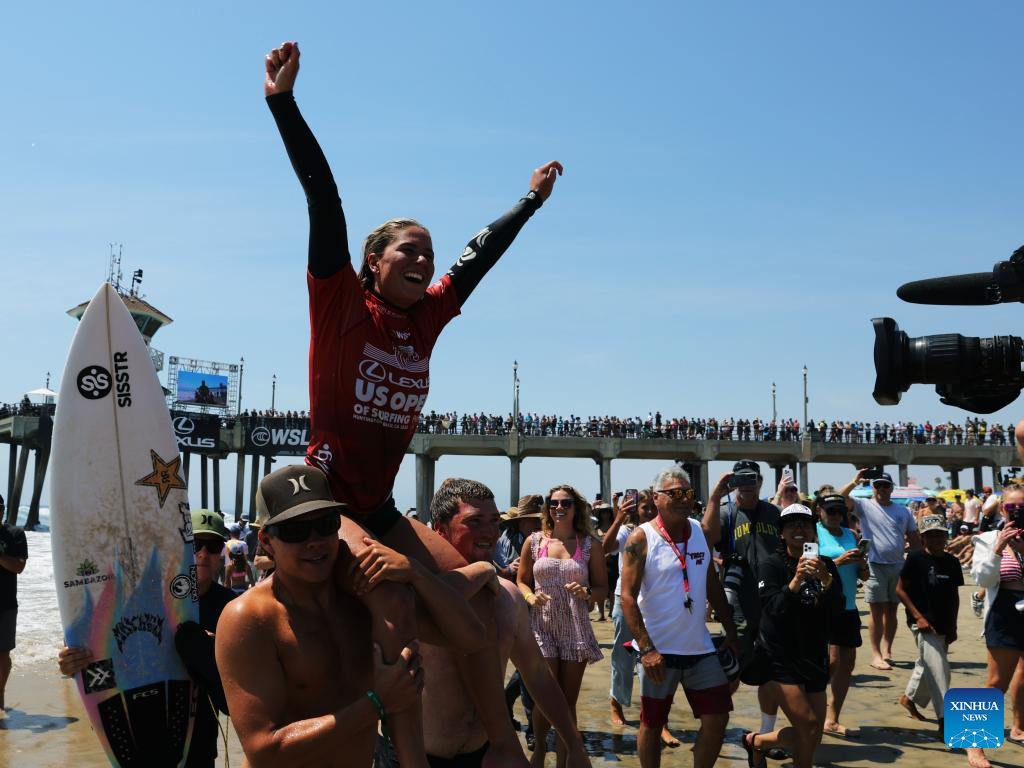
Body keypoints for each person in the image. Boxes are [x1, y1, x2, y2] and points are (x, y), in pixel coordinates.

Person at [265, 40, 561, 768]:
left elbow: (478, 256)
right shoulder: (340, 301)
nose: (424, 261)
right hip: (329, 496)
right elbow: (324, 199)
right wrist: (283, 104)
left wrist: (530, 201)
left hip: (380, 506)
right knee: (394, 598)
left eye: (428, 254)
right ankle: (411, 759)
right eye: (409, 251)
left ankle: (500, 744)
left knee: (476, 612)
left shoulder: (427, 316)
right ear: (373, 262)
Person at [219, 465, 487, 767]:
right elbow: (264, 749)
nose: (314, 540)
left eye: (325, 523)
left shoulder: (365, 601)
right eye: (295, 531)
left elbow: (471, 639)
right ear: (266, 541)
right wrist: (376, 703)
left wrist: (415, 571)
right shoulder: (250, 618)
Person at [405, 478, 589, 768]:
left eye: (494, 521)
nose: (490, 532)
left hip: (484, 754)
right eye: (474, 521)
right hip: (415, 756)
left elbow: (537, 673)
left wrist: (573, 742)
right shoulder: (414, 595)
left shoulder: (508, 597)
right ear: (440, 529)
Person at [59, 509, 237, 767]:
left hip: (199, 739)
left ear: (221, 553)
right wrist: (73, 663)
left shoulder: (232, 607)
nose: (203, 554)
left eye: (213, 547)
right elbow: (108, 648)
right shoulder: (147, 598)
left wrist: (213, 649)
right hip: (141, 731)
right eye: (196, 544)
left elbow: (236, 694)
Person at [619, 467, 736, 768]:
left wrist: (731, 628)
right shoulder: (641, 537)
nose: (684, 499)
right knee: (652, 723)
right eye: (675, 493)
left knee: (717, 718)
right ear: (656, 497)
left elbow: (711, 582)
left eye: (688, 493)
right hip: (659, 651)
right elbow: (627, 596)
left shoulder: (698, 532)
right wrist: (647, 649)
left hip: (699, 648)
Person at [742, 504, 844, 768]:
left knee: (814, 734)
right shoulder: (771, 565)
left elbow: (838, 608)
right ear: (781, 533)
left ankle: (757, 742)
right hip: (778, 656)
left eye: (805, 524)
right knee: (807, 725)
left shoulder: (826, 564)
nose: (799, 529)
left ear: (814, 531)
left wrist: (826, 580)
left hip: (813, 653)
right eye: (791, 525)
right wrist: (796, 582)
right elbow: (771, 610)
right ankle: (761, 743)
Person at [517, 485, 607, 768]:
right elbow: (521, 581)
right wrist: (530, 597)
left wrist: (587, 593)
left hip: (575, 627)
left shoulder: (590, 545)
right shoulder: (534, 541)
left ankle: (565, 758)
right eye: (553, 502)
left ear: (576, 507)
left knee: (567, 700)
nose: (559, 508)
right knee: (546, 696)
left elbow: (603, 588)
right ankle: (541, 749)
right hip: (541, 625)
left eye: (565, 503)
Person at [703, 460, 784, 746]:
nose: (747, 484)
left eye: (752, 479)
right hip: (737, 602)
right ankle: (714, 725)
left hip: (771, 601)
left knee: (770, 668)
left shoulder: (774, 513)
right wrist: (716, 495)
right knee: (731, 667)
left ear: (761, 482)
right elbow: (708, 538)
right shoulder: (726, 512)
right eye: (740, 479)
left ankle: (765, 731)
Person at [601, 489, 677, 747]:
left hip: (655, 603)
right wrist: (618, 518)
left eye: (652, 507)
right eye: (645, 507)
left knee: (660, 660)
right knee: (622, 658)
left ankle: (661, 721)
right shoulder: (628, 531)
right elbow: (604, 548)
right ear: (637, 509)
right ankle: (616, 702)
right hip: (626, 601)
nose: (650, 512)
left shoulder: (664, 532)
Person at [966, 482, 1024, 768]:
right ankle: (972, 741)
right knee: (996, 682)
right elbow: (982, 579)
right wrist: (999, 548)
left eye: (1023, 508)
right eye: (1012, 507)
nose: (1017, 512)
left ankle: (1018, 728)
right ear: (1002, 509)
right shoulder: (988, 539)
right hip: (1003, 613)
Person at [840, 470, 921, 671]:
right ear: (873, 488)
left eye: (885, 485)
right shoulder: (864, 505)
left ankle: (887, 651)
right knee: (876, 610)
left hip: (898, 565)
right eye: (877, 485)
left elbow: (913, 537)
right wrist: (854, 481)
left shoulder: (904, 511)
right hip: (874, 565)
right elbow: (840, 498)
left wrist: (919, 563)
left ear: (892, 488)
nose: (881, 489)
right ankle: (875, 655)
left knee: (892, 610)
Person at [895, 514, 962, 736]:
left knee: (929, 664)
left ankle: (909, 698)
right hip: (922, 623)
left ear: (946, 536)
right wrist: (918, 617)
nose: (936, 539)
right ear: (922, 538)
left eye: (939, 535)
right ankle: (945, 719)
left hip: (944, 623)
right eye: (930, 535)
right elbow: (900, 590)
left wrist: (953, 626)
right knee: (940, 669)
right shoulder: (915, 558)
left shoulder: (953, 562)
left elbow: (954, 596)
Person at [815, 493, 868, 737]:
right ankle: (813, 711)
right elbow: (810, 569)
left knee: (847, 664)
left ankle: (832, 718)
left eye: (840, 511)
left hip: (848, 606)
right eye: (831, 511)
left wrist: (862, 565)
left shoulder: (851, 535)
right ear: (819, 511)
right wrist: (839, 561)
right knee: (832, 662)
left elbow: (863, 576)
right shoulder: (814, 533)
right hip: (823, 606)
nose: (836, 516)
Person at [0, 493, 27, 712]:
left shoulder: (15, 534)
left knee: (2, 653)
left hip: (5, 604)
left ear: (2, 510)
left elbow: (18, 566)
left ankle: (0, 692)